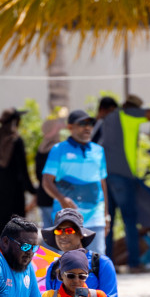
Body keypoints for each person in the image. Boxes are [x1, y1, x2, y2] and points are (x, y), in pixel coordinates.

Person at [96, 94, 150, 271]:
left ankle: (107, 266)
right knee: (130, 220)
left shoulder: (108, 119)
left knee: (108, 220)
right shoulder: (128, 114)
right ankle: (134, 263)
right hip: (122, 176)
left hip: (105, 175)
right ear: (134, 108)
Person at [41, 109, 109, 255]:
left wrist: (106, 215)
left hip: (95, 216)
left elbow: (102, 184)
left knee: (96, 260)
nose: (87, 127)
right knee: (65, 262)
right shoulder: (58, 150)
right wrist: (61, 198)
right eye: (82, 124)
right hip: (67, 219)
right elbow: (47, 181)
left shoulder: (99, 151)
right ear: (70, 127)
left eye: (90, 123)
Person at [0, 109, 37, 237]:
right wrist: (33, 190)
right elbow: (23, 169)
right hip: (14, 191)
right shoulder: (16, 140)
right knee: (16, 228)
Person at [33, 113, 64, 228]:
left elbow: (38, 174)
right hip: (55, 197)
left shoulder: (41, 147)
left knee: (48, 235)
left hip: (43, 196)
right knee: (60, 235)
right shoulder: (56, 148)